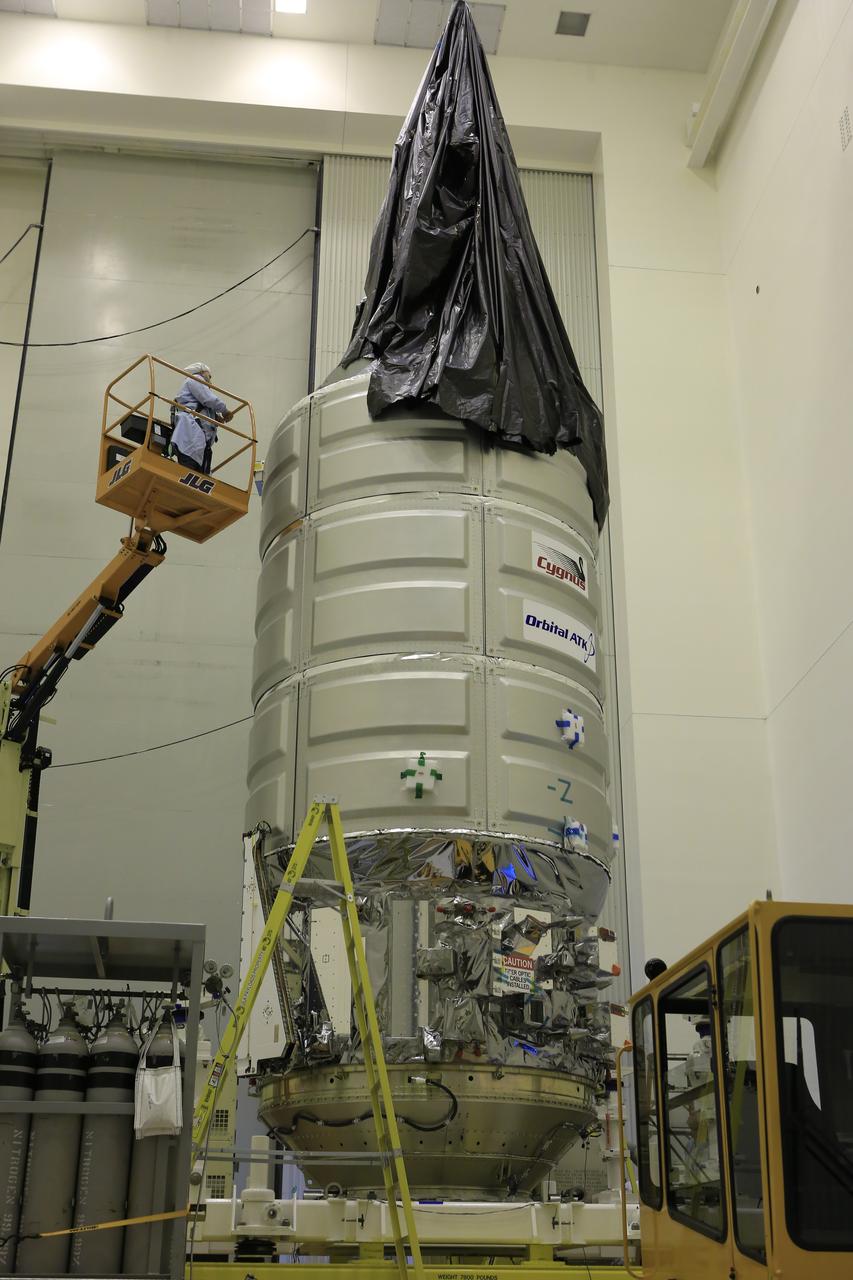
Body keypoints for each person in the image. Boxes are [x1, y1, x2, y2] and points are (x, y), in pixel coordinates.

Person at [168, 362, 232, 474]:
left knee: (197, 472)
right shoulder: (195, 379)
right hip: (192, 437)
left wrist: (216, 417)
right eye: (209, 376)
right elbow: (209, 399)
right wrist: (225, 411)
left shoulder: (192, 384)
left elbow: (201, 406)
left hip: (196, 442)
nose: (210, 380)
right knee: (191, 472)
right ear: (202, 372)